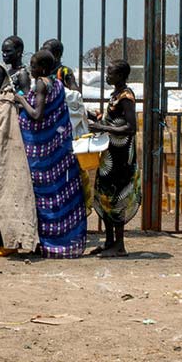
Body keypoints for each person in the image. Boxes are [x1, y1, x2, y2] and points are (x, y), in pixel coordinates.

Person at [16, 50, 87, 258]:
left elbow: (37, 115)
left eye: (34, 65)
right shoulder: (57, 84)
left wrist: (20, 99)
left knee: (44, 196)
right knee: (60, 195)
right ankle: (64, 242)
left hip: (42, 153)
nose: (31, 68)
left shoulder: (41, 84)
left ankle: (48, 244)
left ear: (44, 69)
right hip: (58, 151)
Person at [0, 62, 39, 256]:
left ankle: (14, 242)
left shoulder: (9, 98)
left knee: (12, 197)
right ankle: (1, 240)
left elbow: (9, 126)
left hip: (11, 156)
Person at [88, 59, 141, 257]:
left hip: (120, 158)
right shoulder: (115, 95)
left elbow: (130, 127)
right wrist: (98, 118)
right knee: (105, 195)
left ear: (120, 76)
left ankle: (120, 245)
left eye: (110, 73)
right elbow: (113, 119)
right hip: (110, 154)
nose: (107, 76)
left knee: (116, 196)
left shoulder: (126, 97)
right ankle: (109, 240)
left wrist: (103, 127)